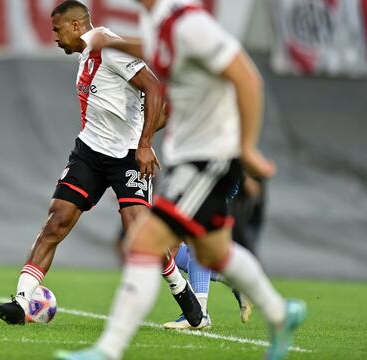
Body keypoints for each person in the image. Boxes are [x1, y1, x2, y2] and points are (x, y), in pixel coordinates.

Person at [56, 1, 305, 359]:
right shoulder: (159, 21)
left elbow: (246, 77)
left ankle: (107, 350)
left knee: (144, 241)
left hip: (210, 155)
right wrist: (115, 44)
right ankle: (282, 313)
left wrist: (247, 147)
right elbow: (157, 49)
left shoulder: (190, 22)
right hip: (188, 154)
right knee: (213, 252)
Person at [0, 0, 203, 327]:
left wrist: (144, 143)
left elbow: (155, 89)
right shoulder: (87, 55)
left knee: (139, 234)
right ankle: (20, 302)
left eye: (57, 29)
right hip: (89, 152)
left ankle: (181, 290)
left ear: (76, 26)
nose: (55, 37)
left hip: (126, 157)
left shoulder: (108, 47)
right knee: (56, 221)